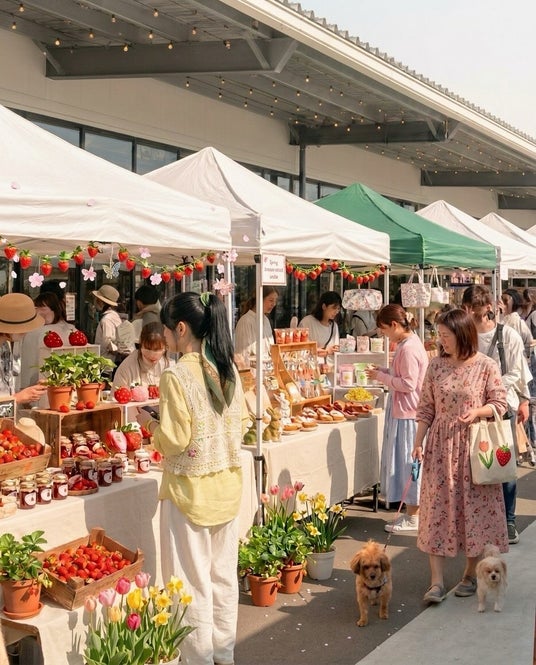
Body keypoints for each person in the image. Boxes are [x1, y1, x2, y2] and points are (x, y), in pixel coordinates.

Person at [136, 291, 247, 665]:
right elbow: (242, 423)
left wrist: (149, 425)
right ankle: (223, 654)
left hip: (189, 493)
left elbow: (174, 440)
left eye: (167, 330)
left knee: (190, 583)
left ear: (180, 329)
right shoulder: (228, 370)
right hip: (227, 488)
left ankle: (197, 657)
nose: (165, 338)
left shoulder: (177, 374)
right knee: (222, 578)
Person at [413, 308, 508, 605]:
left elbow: (500, 403)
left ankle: (469, 575)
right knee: (436, 511)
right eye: (439, 335)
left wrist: (478, 411)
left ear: (462, 334)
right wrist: (417, 442)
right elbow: (426, 407)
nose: (441, 340)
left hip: (474, 448)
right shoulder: (436, 365)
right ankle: (436, 583)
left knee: (473, 511)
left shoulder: (486, 366)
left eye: (446, 335)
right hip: (440, 448)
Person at [461, 285, 531, 545]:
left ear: (489, 308)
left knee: (503, 465)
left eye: (476, 310)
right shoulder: (464, 335)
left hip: (501, 408)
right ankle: (481, 520)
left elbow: (517, 372)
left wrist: (522, 400)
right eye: (468, 310)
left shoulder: (508, 335)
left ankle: (508, 520)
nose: (472, 315)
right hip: (471, 410)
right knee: (475, 464)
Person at [366, 304, 428, 532]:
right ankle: (412, 513)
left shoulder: (408, 348)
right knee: (407, 465)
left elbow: (409, 384)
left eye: (384, 329)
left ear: (394, 325)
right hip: (407, 411)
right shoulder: (409, 343)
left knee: (408, 466)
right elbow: (405, 376)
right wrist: (384, 372)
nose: (384, 334)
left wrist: (382, 377)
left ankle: (413, 516)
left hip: (408, 413)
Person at [0, 293, 47, 404]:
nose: (26, 331)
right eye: (22, 328)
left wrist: (29, 392)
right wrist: (18, 398)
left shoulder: (6, 345)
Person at [20, 292, 72, 388]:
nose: (39, 312)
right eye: (36, 308)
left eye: (43, 308)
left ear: (55, 310)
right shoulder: (69, 329)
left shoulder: (36, 332)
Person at [112, 321, 170, 391]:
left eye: (157, 349)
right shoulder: (127, 367)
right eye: (148, 349)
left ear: (165, 346)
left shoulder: (168, 365)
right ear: (141, 345)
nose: (152, 355)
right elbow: (117, 393)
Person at [234, 286, 278, 365]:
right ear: (260, 299)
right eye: (271, 300)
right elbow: (242, 355)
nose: (274, 304)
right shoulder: (245, 321)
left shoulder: (266, 320)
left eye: (275, 301)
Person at [92, 285, 134, 363]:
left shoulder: (106, 320)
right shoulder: (115, 317)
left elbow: (108, 342)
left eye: (97, 299)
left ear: (101, 302)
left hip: (107, 363)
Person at [298, 290, 342, 360]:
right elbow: (299, 347)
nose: (336, 311)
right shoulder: (307, 322)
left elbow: (336, 348)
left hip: (330, 365)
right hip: (312, 364)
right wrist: (325, 351)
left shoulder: (334, 326)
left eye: (338, 309)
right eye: (334, 308)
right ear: (324, 306)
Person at [499, 288, 532, 358]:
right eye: (501, 299)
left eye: (505, 301)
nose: (501, 302)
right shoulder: (503, 318)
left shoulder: (517, 321)